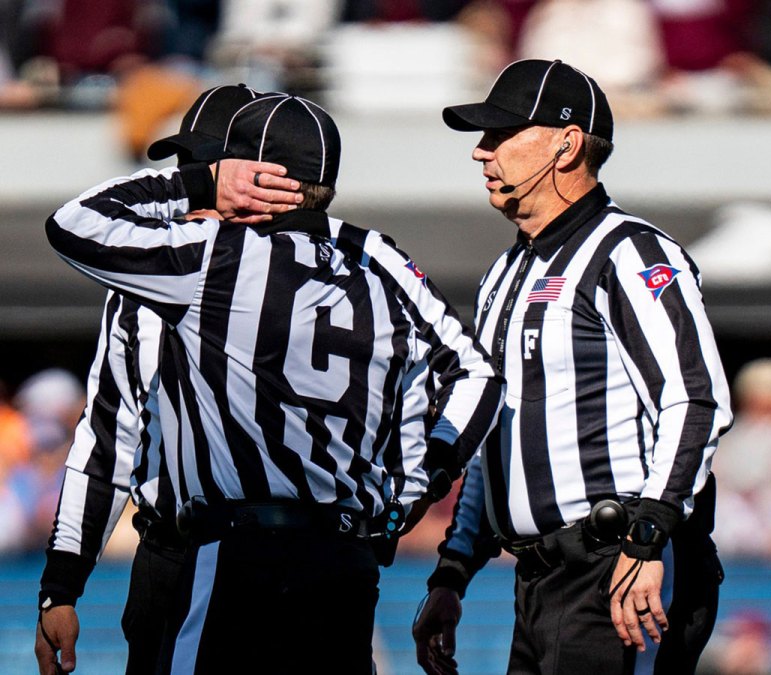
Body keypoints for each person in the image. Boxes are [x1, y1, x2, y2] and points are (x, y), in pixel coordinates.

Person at [43, 92, 503, 674]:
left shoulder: (214, 259)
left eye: (214, 168)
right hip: (340, 555)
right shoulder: (373, 272)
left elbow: (72, 224)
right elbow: (461, 380)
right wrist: (414, 488)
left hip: (231, 550)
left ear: (253, 178)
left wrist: (200, 186)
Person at [411, 58, 732, 674]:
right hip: (540, 579)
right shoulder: (504, 273)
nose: (482, 153)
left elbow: (695, 400)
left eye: (501, 135)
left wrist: (648, 537)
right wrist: (452, 572)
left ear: (566, 143)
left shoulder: (629, 251)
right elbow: (494, 433)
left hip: (615, 567)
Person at [32, 83, 316, 675]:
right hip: (176, 553)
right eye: (191, 172)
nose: (194, 188)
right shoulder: (144, 288)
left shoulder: (331, 274)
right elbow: (111, 434)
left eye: (208, 168)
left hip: (305, 554)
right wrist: (62, 583)